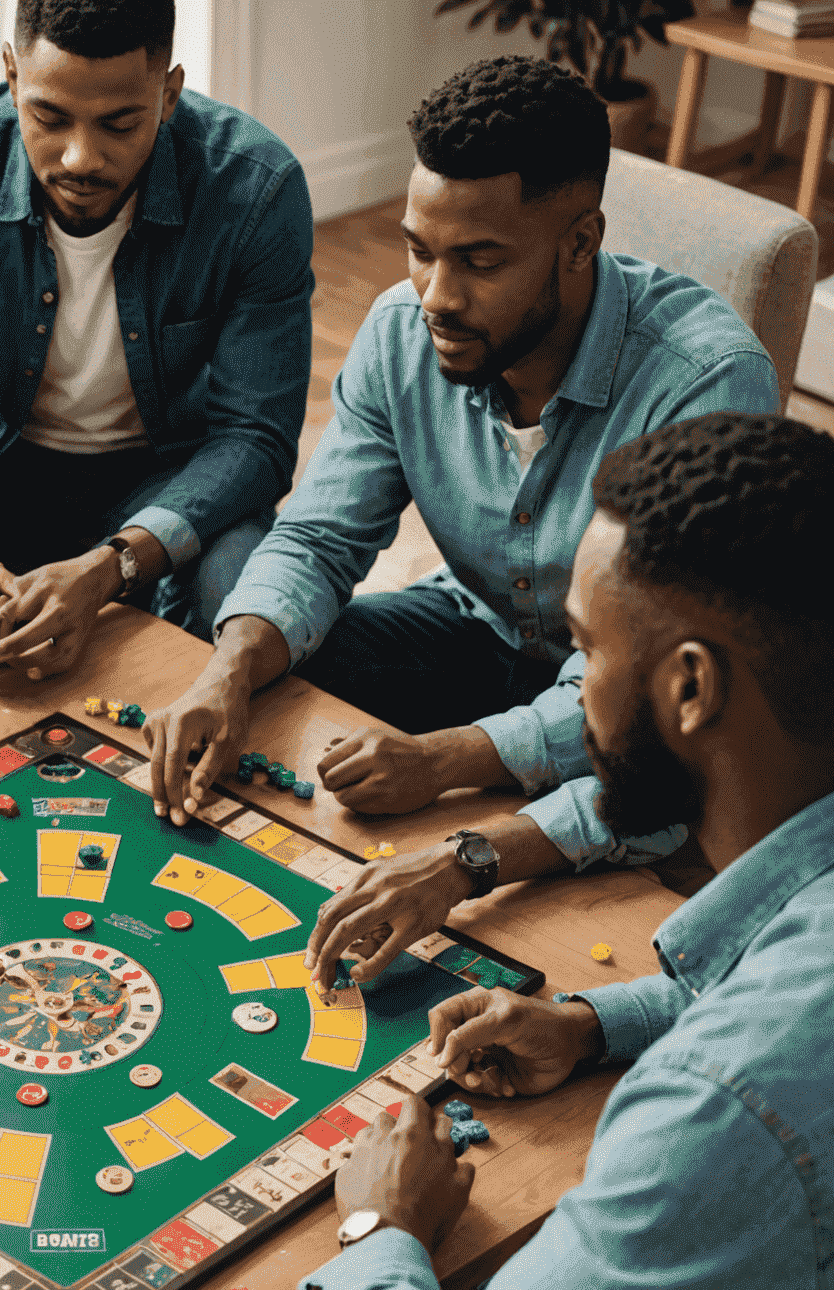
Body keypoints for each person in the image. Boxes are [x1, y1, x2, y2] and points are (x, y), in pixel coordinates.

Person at [147, 411, 834, 1290]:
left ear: (693, 691)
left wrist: (385, 1229)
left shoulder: (730, 1101)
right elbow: (785, 999)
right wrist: (589, 1020)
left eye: (588, 651)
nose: (577, 685)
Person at [142, 55, 780, 989]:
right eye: (419, 249)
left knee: (659, 782)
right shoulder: (404, 329)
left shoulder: (707, 381)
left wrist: (447, 761)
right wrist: (228, 669)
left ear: (580, 241)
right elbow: (319, 538)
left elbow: (654, 702)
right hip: (476, 626)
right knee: (238, 644)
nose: (435, 296)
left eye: (480, 260)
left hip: (628, 694)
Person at [0, 0, 315, 675]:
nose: (81, 157)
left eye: (119, 123)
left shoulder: (256, 188)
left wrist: (113, 567)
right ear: (13, 77)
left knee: (243, 598)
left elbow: (258, 439)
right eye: (49, 118)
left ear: (168, 94)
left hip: (169, 469)